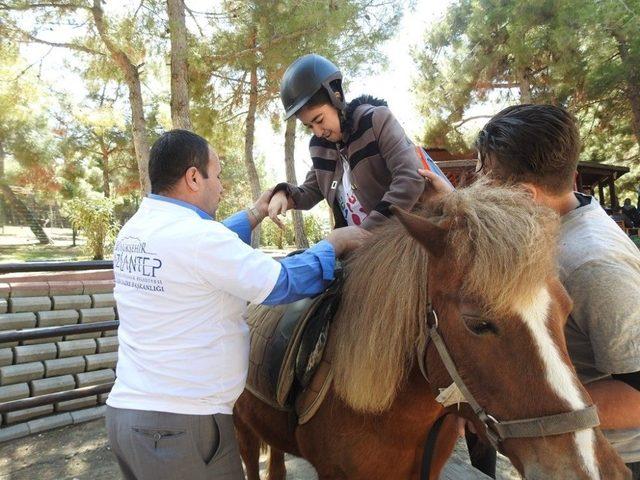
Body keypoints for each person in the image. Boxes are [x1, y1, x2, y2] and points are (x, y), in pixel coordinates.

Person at [105, 129, 369, 480]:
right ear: (193, 178)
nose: (222, 186)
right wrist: (332, 244)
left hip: (130, 418)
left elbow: (204, 250)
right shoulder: (198, 239)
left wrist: (255, 214)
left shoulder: (135, 231)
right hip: (181, 429)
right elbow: (279, 282)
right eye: (217, 175)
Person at [421, 104, 640, 479]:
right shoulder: (554, 224)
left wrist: (511, 405)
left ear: (524, 194)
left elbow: (637, 398)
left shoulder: (592, 266)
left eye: (485, 180)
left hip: (607, 461)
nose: (476, 186)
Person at [268, 53, 425, 230]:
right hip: (353, 248)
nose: (318, 132)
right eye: (309, 126)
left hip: (399, 238)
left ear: (336, 97)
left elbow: (410, 178)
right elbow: (311, 191)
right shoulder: (319, 147)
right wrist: (283, 193)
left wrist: (363, 234)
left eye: (319, 120)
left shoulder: (375, 122)